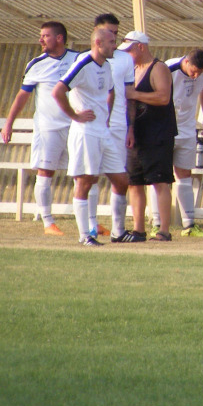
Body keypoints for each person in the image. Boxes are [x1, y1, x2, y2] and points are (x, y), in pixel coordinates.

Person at [52, 26, 129, 246]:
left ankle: (118, 232)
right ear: (99, 43)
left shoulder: (106, 66)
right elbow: (58, 91)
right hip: (85, 132)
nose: (115, 46)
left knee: (121, 180)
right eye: (112, 42)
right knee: (86, 181)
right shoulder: (83, 64)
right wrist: (74, 115)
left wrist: (107, 115)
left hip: (102, 132)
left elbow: (111, 91)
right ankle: (85, 235)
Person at [1, 21, 79, 236]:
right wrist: (9, 123)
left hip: (76, 127)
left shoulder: (79, 59)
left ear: (59, 38)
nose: (40, 40)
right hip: (48, 128)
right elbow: (22, 96)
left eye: (45, 36)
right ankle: (47, 222)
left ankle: (90, 222)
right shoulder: (36, 64)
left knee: (85, 172)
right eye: (41, 36)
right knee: (45, 172)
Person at [119, 31, 178, 242]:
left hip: (159, 133)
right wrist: (130, 129)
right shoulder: (132, 69)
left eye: (129, 50)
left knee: (159, 181)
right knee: (134, 182)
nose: (126, 55)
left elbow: (163, 97)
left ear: (140, 47)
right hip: (138, 134)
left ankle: (163, 230)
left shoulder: (159, 68)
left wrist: (135, 94)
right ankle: (138, 230)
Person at [148, 49, 203, 238]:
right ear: (186, 62)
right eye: (193, 71)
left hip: (187, 127)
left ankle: (189, 224)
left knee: (185, 173)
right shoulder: (168, 68)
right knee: (160, 176)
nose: (196, 76)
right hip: (165, 127)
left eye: (199, 73)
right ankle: (157, 223)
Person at [86, 13, 135, 239]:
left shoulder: (125, 59)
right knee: (91, 176)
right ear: (98, 34)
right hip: (93, 127)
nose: (115, 40)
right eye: (110, 34)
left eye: (117, 34)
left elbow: (129, 96)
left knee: (120, 178)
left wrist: (131, 127)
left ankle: (118, 229)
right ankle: (91, 227)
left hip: (118, 126)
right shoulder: (84, 59)